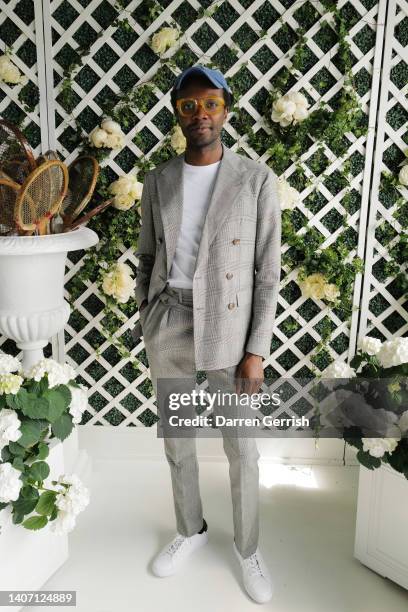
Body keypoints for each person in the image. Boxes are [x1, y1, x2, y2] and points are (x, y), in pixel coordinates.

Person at [132, 64, 281, 604]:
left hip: (230, 325)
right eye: (189, 105)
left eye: (210, 104)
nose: (200, 115)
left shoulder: (255, 179)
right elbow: (148, 252)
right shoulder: (159, 179)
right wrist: (147, 307)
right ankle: (190, 529)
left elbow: (268, 271)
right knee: (179, 440)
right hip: (169, 319)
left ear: (226, 109)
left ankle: (249, 550)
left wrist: (256, 350)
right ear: (177, 111)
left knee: (241, 445)